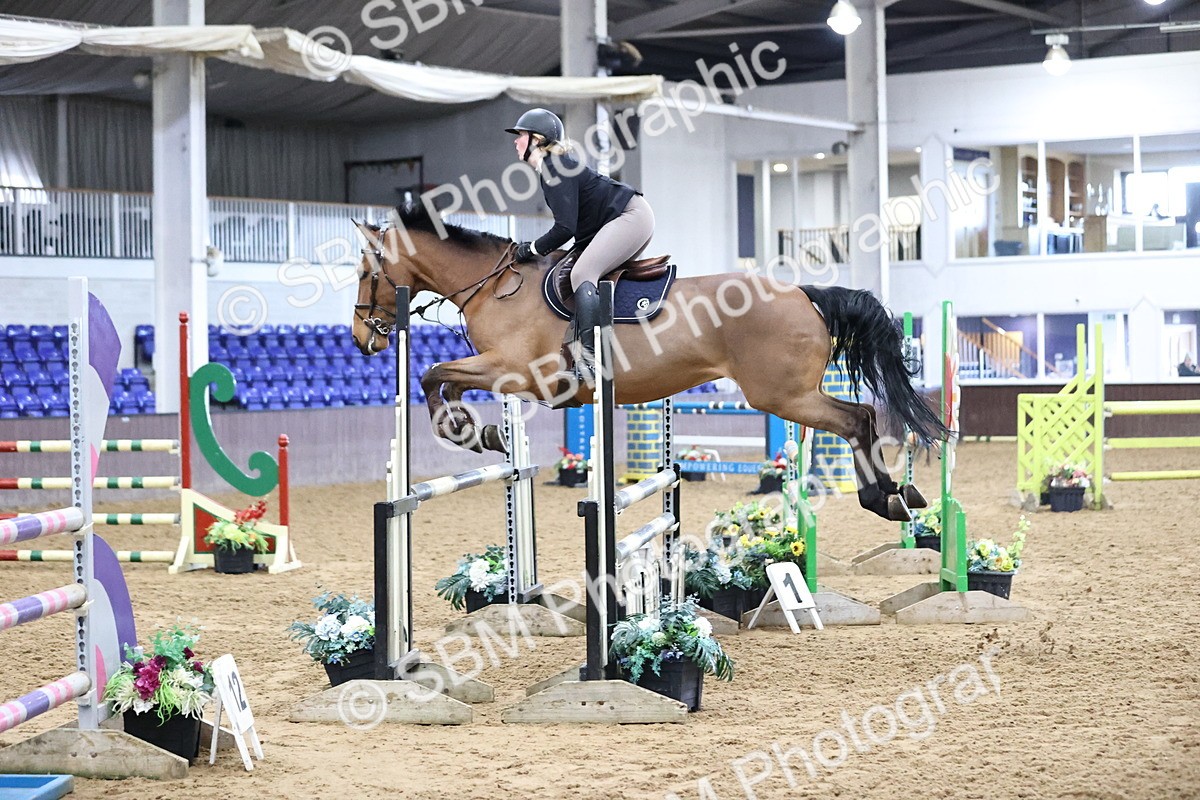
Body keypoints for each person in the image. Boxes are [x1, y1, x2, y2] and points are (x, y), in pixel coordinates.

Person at [505, 108, 655, 382]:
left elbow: (564, 229)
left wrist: (533, 249)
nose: (516, 141)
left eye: (521, 136)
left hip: (630, 217)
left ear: (537, 139)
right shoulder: (552, 168)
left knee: (581, 274)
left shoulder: (554, 168)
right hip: (627, 216)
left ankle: (590, 360)